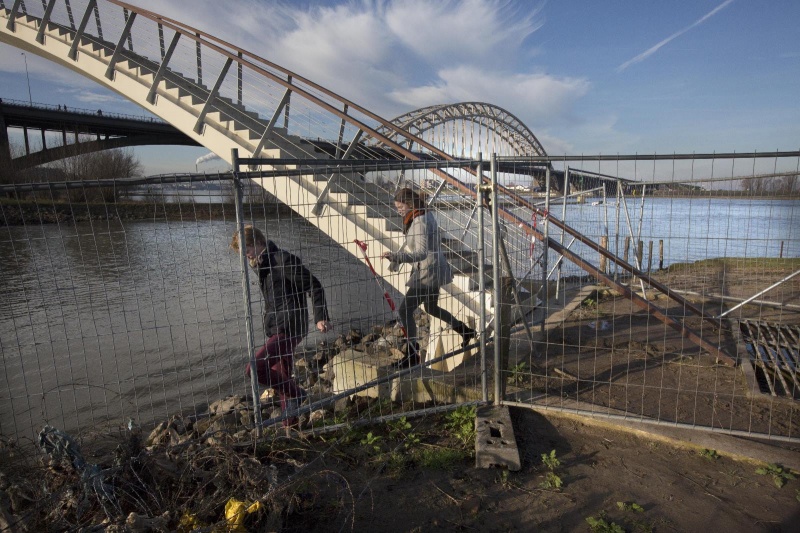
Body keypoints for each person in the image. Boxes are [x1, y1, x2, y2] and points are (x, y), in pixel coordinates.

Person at [231, 225, 332, 429]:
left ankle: (300, 395)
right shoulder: (262, 263)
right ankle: (290, 426)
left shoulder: (282, 260)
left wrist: (320, 317)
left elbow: (314, 285)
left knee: (255, 368)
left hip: (290, 326)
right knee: (282, 375)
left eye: (247, 249)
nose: (245, 255)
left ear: (258, 242)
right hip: (276, 325)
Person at [382, 188, 475, 368]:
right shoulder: (425, 214)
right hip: (435, 267)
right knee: (431, 307)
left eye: (400, 207)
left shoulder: (419, 221)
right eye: (397, 207)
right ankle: (464, 330)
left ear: (410, 204)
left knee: (404, 311)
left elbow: (421, 252)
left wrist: (397, 257)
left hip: (427, 272)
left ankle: (412, 354)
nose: (399, 211)